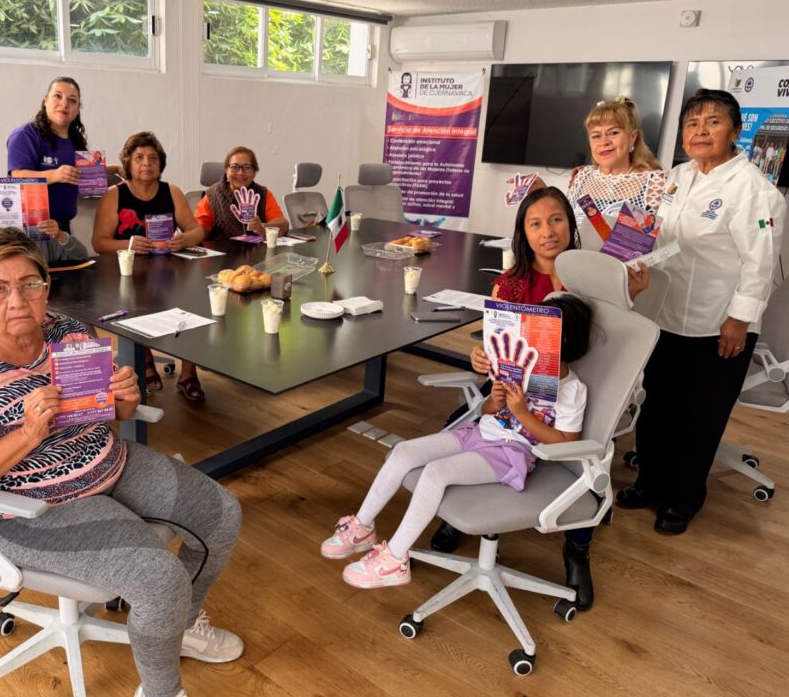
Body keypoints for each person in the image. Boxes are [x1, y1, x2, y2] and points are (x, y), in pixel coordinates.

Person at [0, 229, 242, 697]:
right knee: (159, 581)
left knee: (221, 515)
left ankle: (180, 628)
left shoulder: (68, 332)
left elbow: (107, 414)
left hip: (106, 462)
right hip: (30, 507)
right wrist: (28, 435)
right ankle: (160, 690)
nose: (18, 300)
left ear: (46, 286)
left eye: (30, 284)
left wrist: (124, 399)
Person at [429, 186, 646, 609]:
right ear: (523, 233)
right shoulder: (510, 286)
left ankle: (577, 548)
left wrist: (628, 299)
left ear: (571, 224)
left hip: (576, 392)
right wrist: (481, 358)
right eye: (535, 223)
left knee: (591, 457)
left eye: (556, 220)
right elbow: (495, 351)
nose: (547, 231)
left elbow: (614, 347)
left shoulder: (598, 278)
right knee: (457, 422)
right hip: (516, 399)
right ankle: (454, 520)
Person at [322, 295, 594, 590]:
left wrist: (521, 413)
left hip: (511, 453)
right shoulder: (519, 367)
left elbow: (564, 441)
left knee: (435, 473)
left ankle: (395, 560)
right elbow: (487, 411)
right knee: (402, 451)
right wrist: (496, 400)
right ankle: (362, 527)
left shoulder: (573, 390)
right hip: (478, 433)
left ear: (565, 343)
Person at [617, 89, 786, 535]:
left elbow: (760, 263)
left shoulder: (755, 191)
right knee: (656, 404)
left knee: (699, 415)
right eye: (691, 123)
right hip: (665, 314)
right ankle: (649, 482)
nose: (700, 131)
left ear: (734, 130)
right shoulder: (676, 177)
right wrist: (633, 261)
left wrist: (739, 320)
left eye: (712, 122)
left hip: (718, 324)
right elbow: (668, 238)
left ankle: (683, 498)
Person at [91, 131, 207, 401]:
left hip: (168, 268)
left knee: (196, 299)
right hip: (126, 273)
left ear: (160, 164)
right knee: (138, 297)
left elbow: (196, 231)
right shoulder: (114, 195)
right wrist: (128, 244)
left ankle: (189, 373)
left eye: (153, 158)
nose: (147, 163)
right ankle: (143, 359)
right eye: (139, 157)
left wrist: (182, 240)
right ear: (128, 163)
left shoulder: (172, 191)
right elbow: (99, 242)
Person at [6, 77, 119, 233]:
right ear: (45, 100)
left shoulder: (75, 140)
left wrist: (115, 169)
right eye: (57, 96)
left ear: (78, 108)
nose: (64, 104)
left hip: (63, 228)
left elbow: (79, 174)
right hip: (31, 229)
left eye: (72, 100)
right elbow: (17, 177)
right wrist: (55, 175)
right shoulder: (26, 135)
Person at [564, 96, 667, 221]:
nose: (604, 142)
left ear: (632, 137)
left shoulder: (655, 182)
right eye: (596, 136)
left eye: (613, 133)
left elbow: (664, 235)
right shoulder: (581, 177)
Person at [194, 147, 290, 240]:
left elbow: (283, 224)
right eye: (234, 167)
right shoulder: (212, 196)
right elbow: (199, 229)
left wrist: (263, 228)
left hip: (257, 253)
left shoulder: (262, 194)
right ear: (226, 170)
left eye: (247, 167)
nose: (240, 173)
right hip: (224, 253)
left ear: (254, 172)